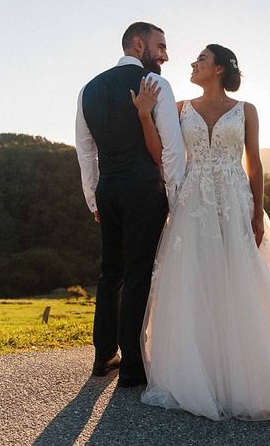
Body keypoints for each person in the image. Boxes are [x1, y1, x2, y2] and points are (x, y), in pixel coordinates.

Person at [131, 44, 270, 424]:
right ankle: (203, 376)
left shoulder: (247, 110)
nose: (193, 63)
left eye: (201, 59)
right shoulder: (181, 107)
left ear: (218, 68)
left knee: (241, 280)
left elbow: (255, 163)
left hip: (235, 200)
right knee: (196, 280)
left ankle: (249, 378)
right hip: (194, 201)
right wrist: (144, 116)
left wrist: (257, 212)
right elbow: (162, 154)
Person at [75, 22, 185, 386]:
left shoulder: (88, 89)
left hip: (108, 190)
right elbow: (171, 149)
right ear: (138, 44)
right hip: (143, 189)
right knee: (139, 273)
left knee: (111, 273)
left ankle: (104, 356)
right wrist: (175, 195)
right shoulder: (156, 86)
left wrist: (93, 197)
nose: (165, 55)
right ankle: (134, 368)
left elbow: (85, 150)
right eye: (161, 46)